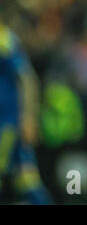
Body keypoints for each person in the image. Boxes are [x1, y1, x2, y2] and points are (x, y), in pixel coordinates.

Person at [0, 21, 51, 204]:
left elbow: (27, 79)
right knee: (26, 177)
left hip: (7, 122)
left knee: (27, 178)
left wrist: (28, 117)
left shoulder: (4, 39)